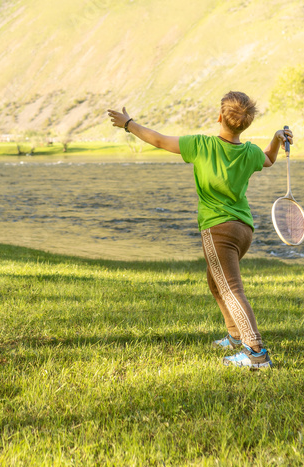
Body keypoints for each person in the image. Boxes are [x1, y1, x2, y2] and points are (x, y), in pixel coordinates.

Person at [106, 92, 292, 369]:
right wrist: (277, 138)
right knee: (216, 283)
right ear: (247, 125)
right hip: (243, 231)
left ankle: (256, 353)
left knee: (230, 289)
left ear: (219, 117)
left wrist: (128, 123)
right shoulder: (251, 152)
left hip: (218, 231)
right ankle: (233, 335)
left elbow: (157, 139)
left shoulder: (201, 145)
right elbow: (269, 160)